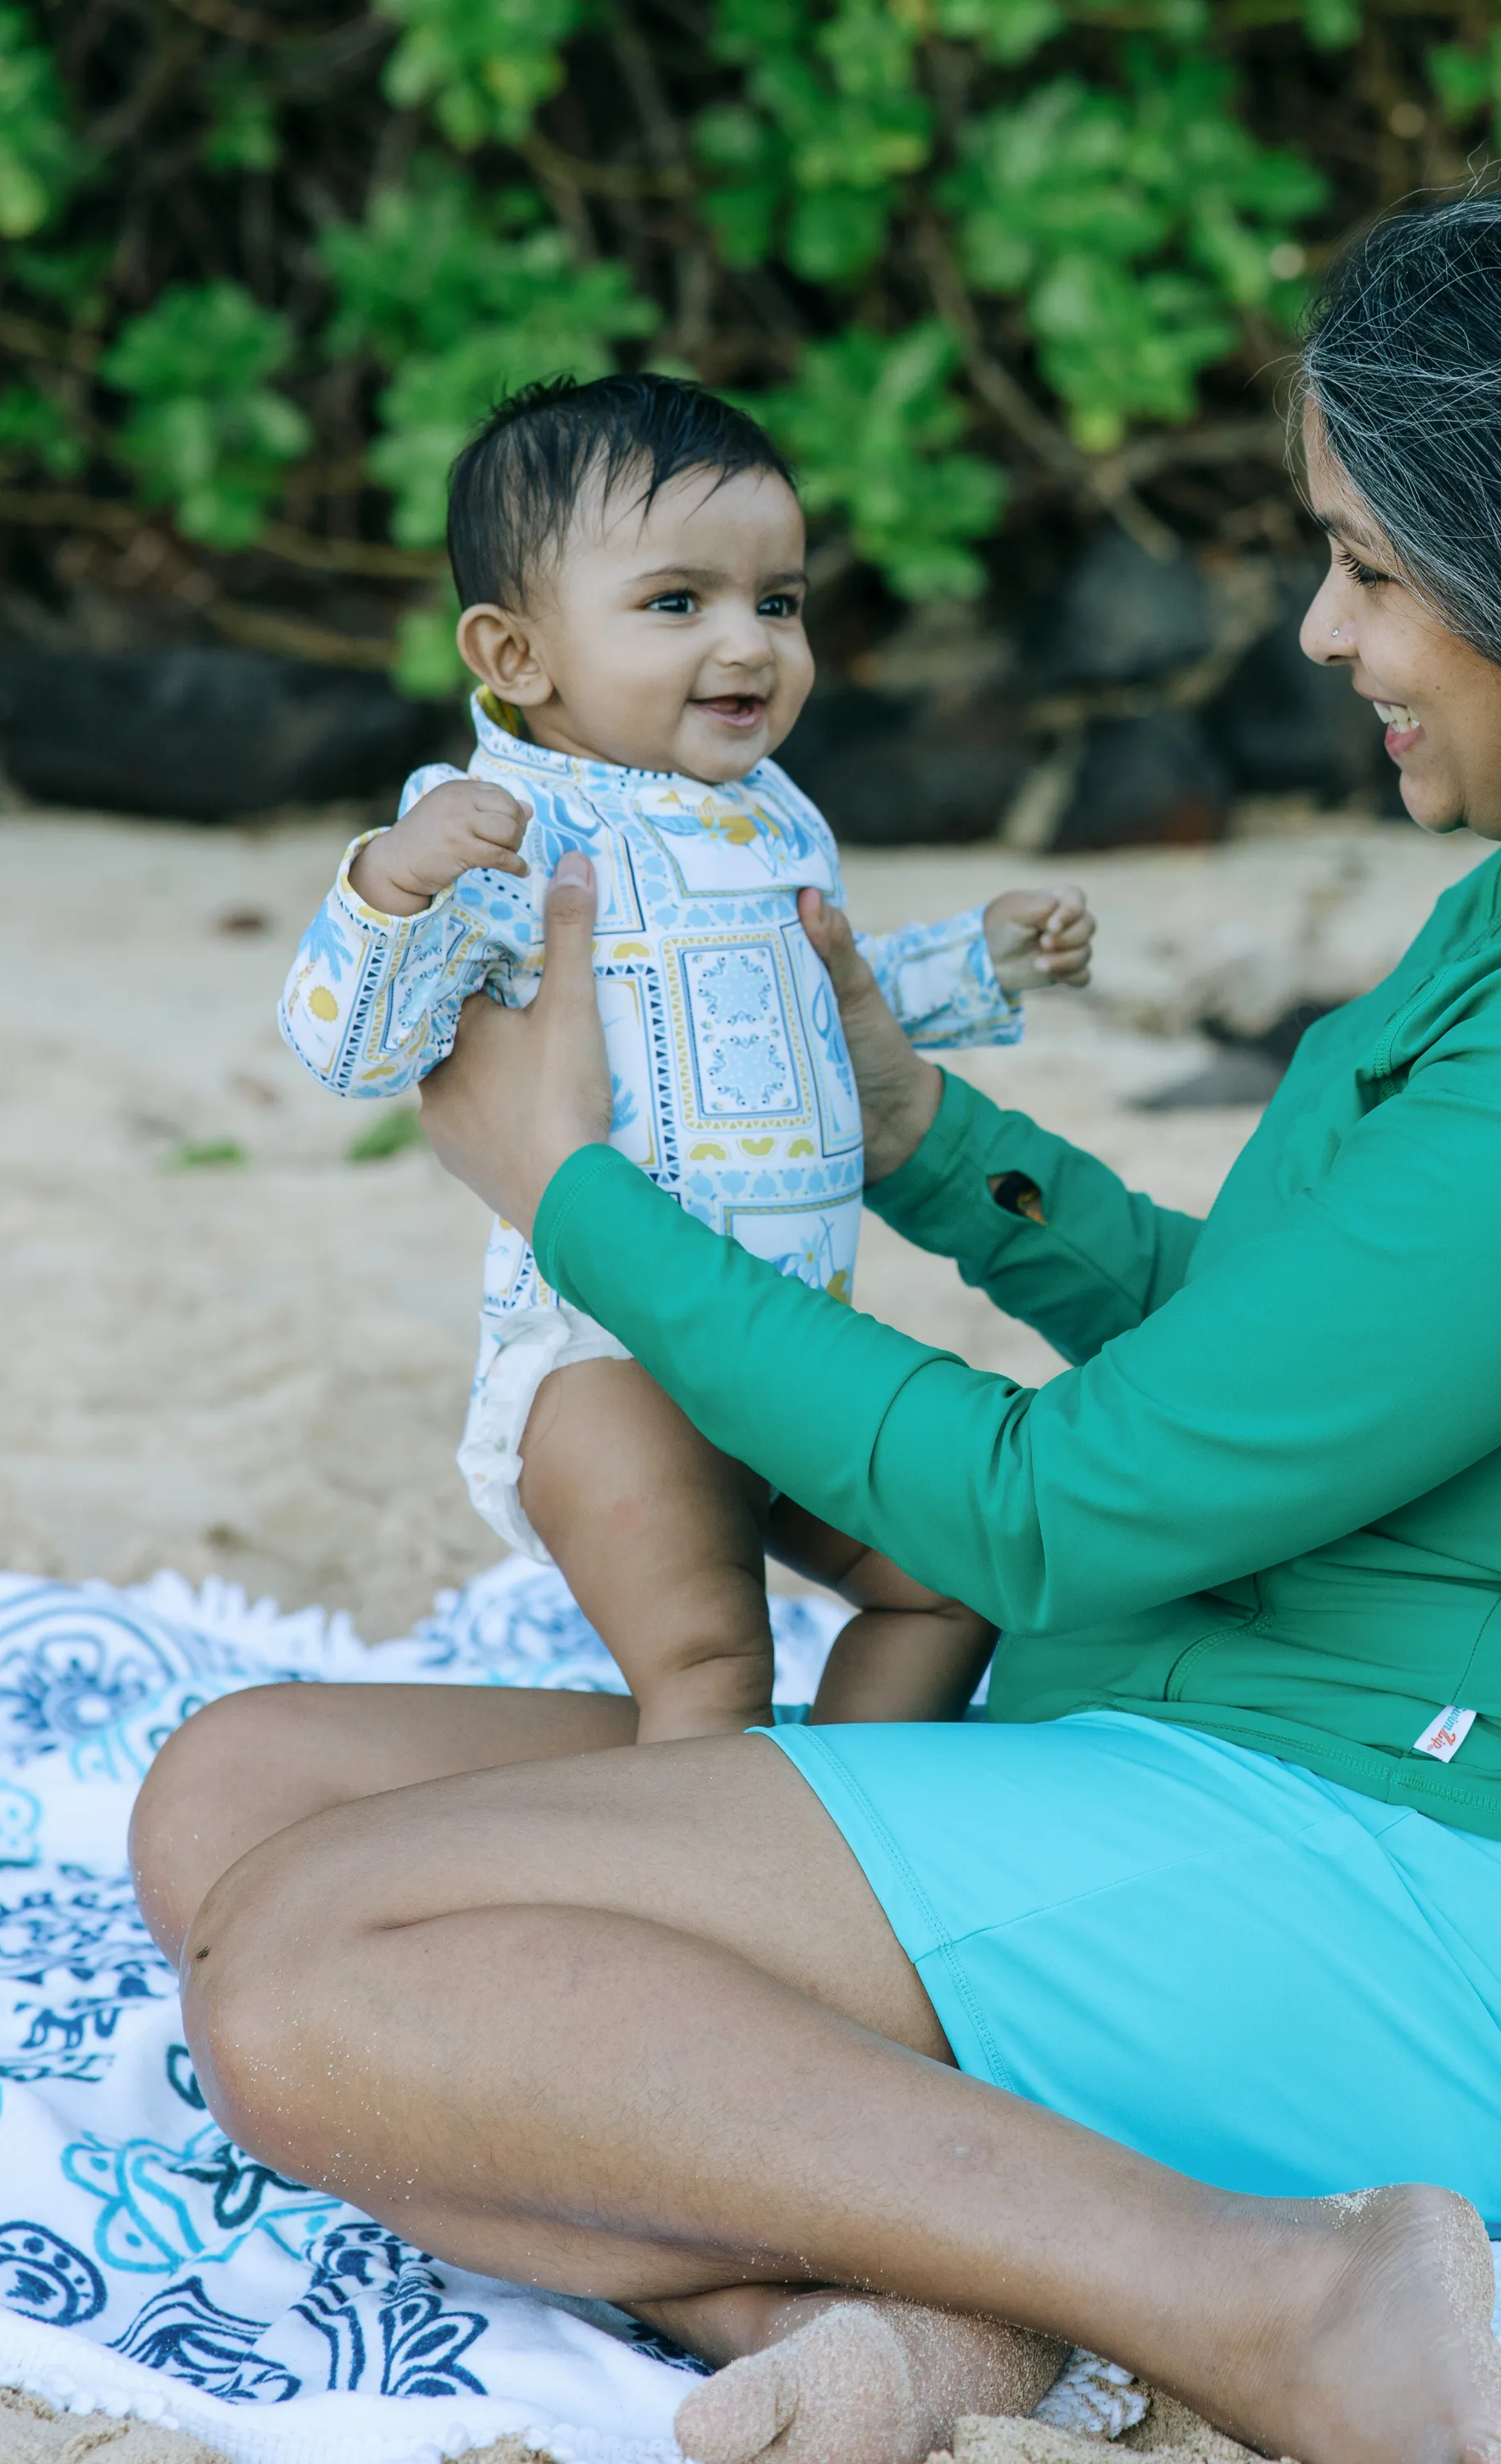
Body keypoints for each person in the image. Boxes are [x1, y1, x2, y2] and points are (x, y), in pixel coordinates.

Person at [131, 164, 1501, 2464]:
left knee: (307, 1980)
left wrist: (571, 1195)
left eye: (1367, 566)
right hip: (1199, 1744)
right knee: (235, 1795)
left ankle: (1268, 2297)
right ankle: (912, 2299)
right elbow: (1275, 1355)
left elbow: (1064, 1514)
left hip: (1444, 1911)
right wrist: (926, 1143)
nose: (1315, 636)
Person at [276, 373, 1095, 1740]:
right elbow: (353, 1053)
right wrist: (389, 889)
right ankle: (699, 1883)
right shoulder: (491, 820)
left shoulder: (773, 818)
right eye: (678, 603)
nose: (750, 642)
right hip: (608, 1362)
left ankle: (849, 1831)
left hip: (786, 1338)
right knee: (711, 1667)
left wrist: (981, 963)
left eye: (777, 601)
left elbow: (822, 1005)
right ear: (516, 657)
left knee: (953, 1585)